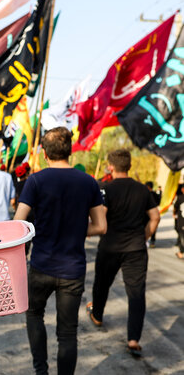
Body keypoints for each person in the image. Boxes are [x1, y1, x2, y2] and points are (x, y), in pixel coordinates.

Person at [14, 126, 106, 375]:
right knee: (68, 332)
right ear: (70, 151)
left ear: (45, 153)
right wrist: (76, 228)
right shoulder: (88, 182)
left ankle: (40, 370)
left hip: (41, 265)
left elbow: (18, 224)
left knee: (34, 315)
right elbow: (101, 226)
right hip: (72, 270)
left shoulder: (35, 180)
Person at [85, 149, 160, 358]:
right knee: (136, 293)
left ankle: (97, 315)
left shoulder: (106, 190)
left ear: (110, 167)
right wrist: (143, 237)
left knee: (102, 284)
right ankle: (133, 339)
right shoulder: (142, 190)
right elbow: (155, 217)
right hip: (136, 249)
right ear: (129, 165)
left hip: (110, 246)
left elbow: (102, 218)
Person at [144, 181, 161, 248]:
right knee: (153, 227)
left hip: (146, 214)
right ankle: (152, 241)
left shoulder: (146, 194)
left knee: (147, 226)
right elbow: (159, 202)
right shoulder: (154, 194)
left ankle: (147, 240)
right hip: (152, 213)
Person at [174, 183, 184, 259]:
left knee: (181, 236)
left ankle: (181, 252)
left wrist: (174, 214)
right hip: (181, 220)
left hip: (181, 221)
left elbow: (175, 207)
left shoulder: (180, 197)